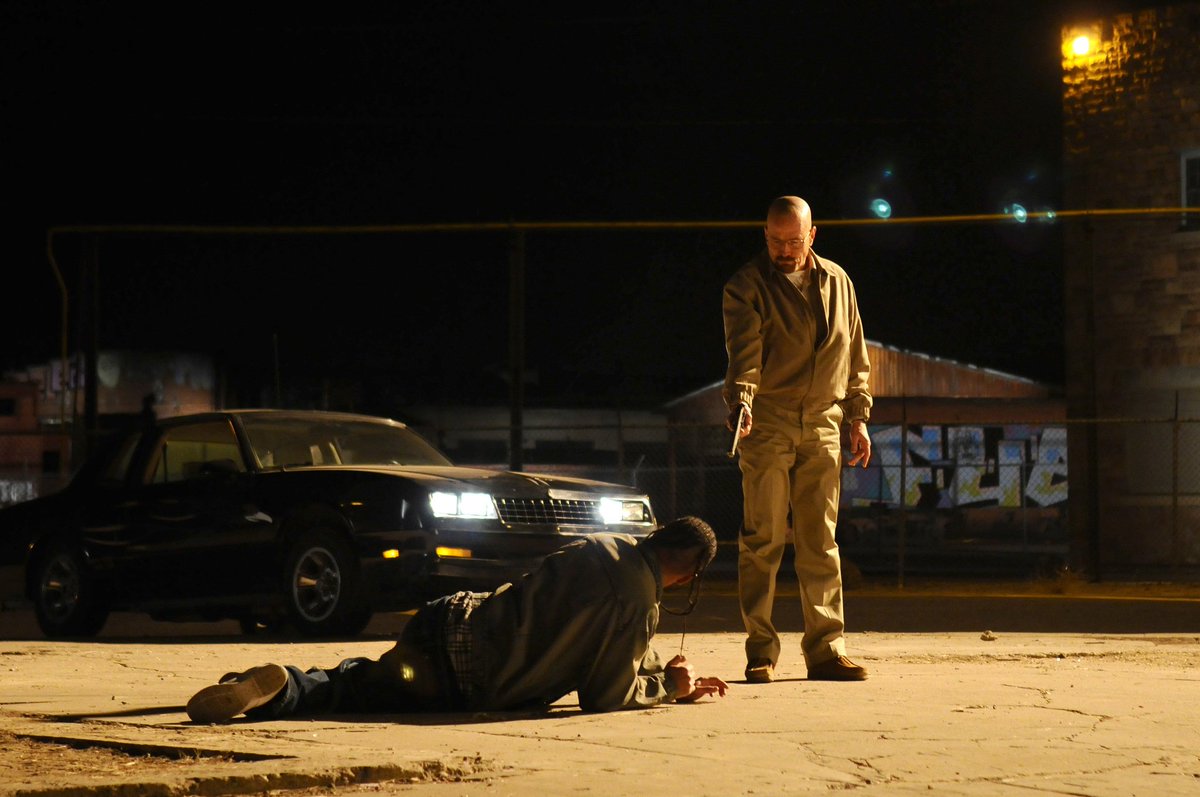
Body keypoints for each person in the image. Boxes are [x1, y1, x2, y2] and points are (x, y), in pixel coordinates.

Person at [187, 516, 729, 723]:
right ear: (690, 574)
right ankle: (283, 691)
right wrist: (667, 687)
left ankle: (263, 684)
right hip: (469, 673)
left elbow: (599, 624)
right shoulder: (639, 605)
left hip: (453, 616)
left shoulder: (601, 543)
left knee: (362, 677)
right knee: (357, 694)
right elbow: (604, 696)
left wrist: (656, 664)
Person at [723, 195, 873, 684]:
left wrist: (858, 417)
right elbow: (743, 352)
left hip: (824, 422)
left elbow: (855, 352)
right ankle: (760, 651)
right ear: (764, 235)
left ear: (812, 235)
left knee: (820, 541)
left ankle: (827, 650)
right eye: (775, 240)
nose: (784, 250)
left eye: (792, 241)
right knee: (762, 540)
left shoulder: (838, 280)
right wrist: (742, 401)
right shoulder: (746, 285)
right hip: (768, 421)